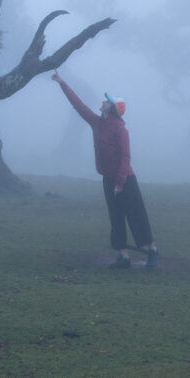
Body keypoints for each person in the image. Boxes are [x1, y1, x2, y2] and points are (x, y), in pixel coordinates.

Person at [52, 70, 160, 269]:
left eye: (107, 102)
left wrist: (120, 183)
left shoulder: (120, 129)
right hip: (108, 179)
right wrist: (61, 83)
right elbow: (79, 105)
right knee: (116, 217)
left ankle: (153, 250)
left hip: (125, 179)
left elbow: (126, 158)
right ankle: (124, 257)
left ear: (112, 109)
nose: (103, 102)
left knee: (136, 215)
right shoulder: (97, 123)